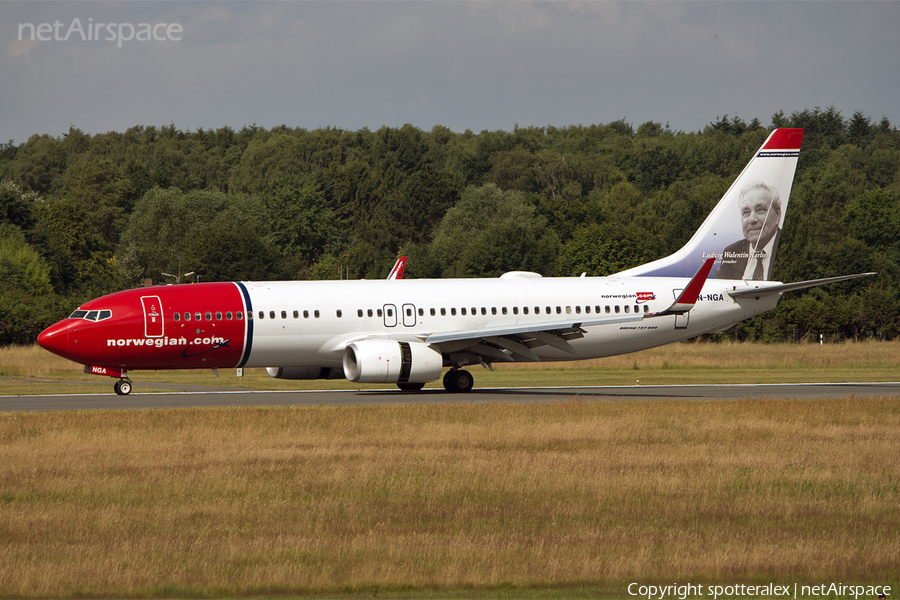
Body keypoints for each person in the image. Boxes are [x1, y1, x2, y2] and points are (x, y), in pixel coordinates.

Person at [715, 180, 782, 280]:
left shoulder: (791, 248)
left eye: (760, 209)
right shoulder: (731, 252)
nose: (752, 219)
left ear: (777, 215)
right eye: (746, 212)